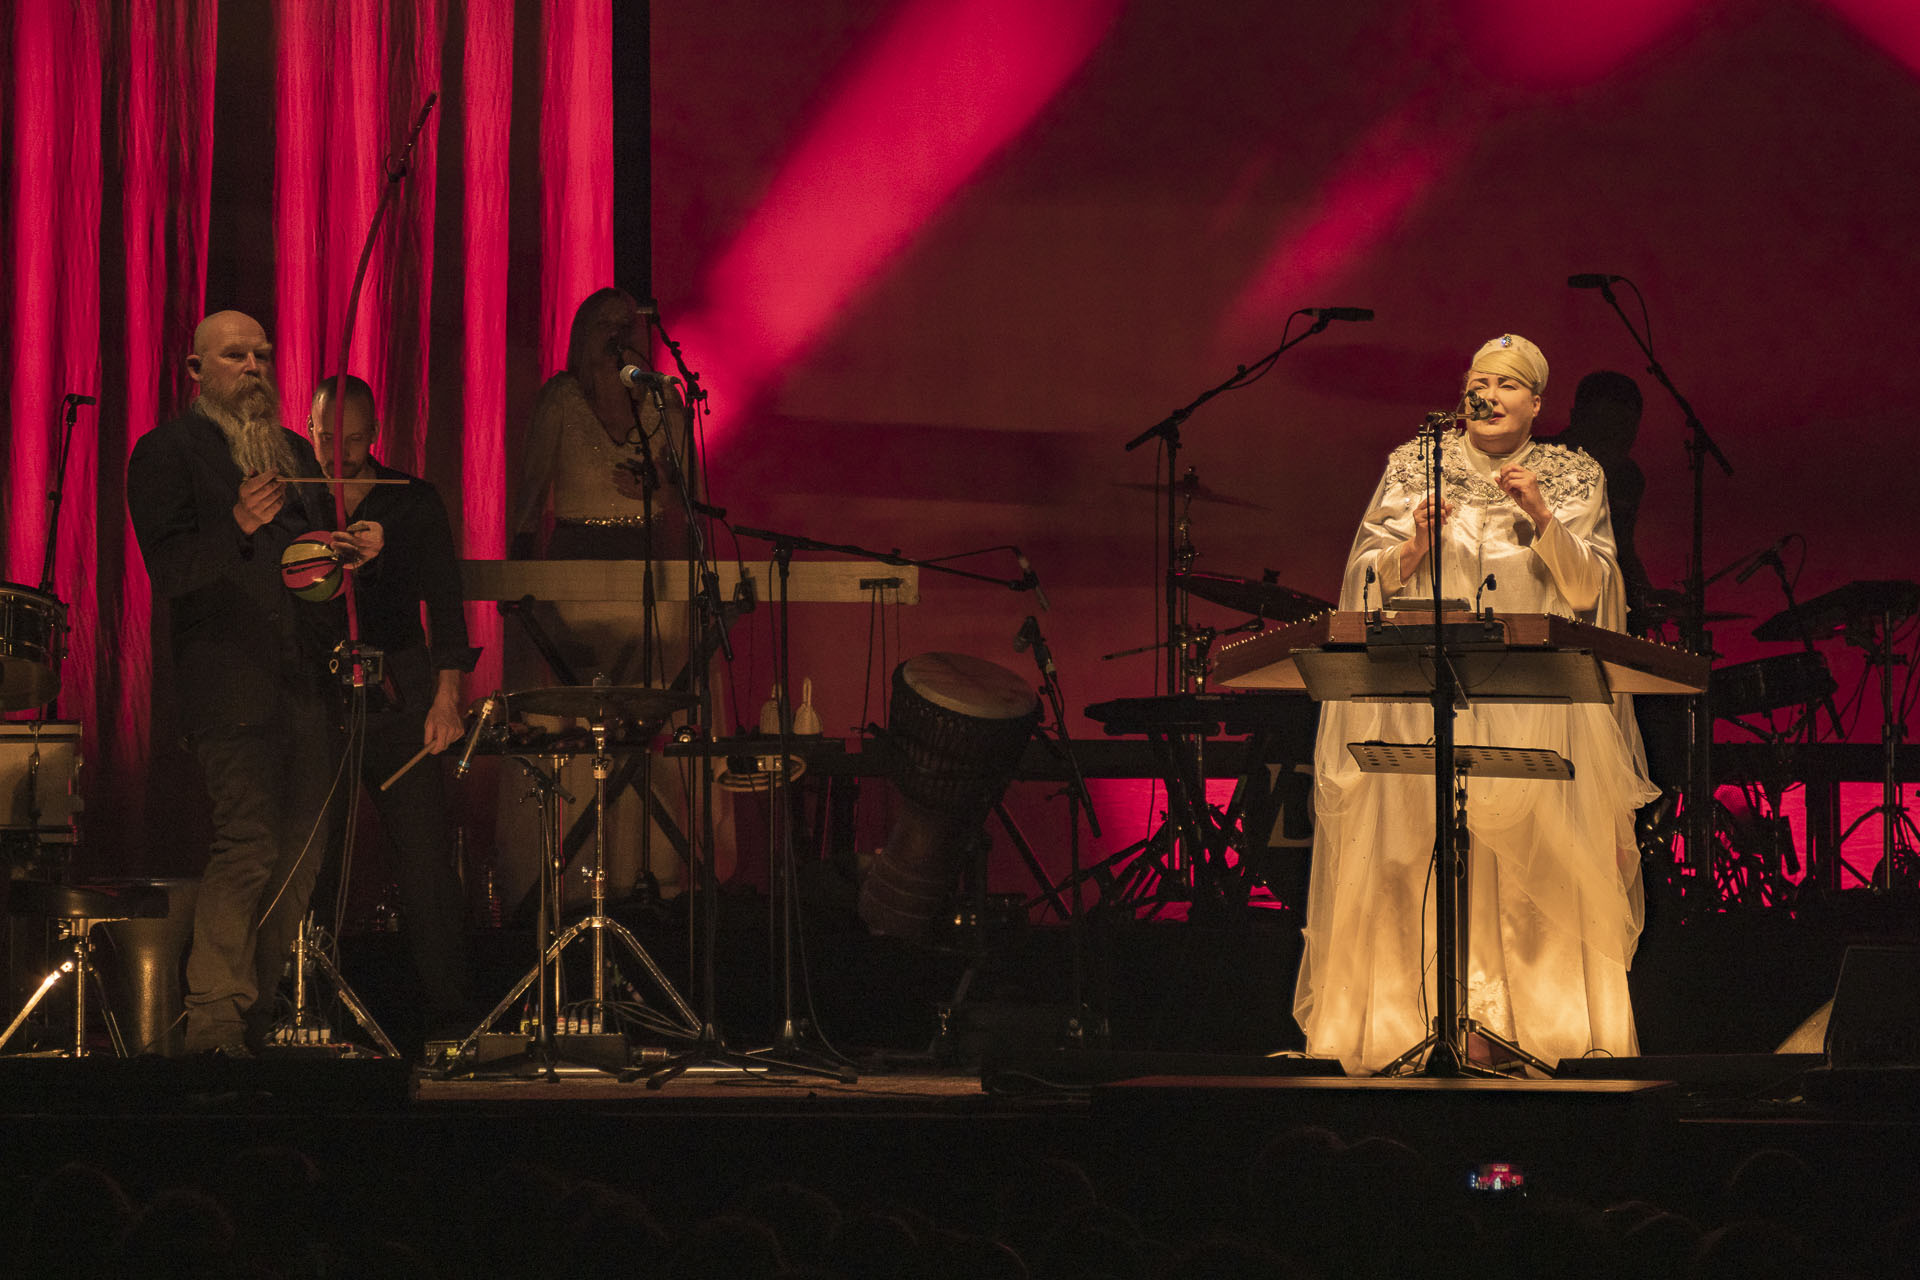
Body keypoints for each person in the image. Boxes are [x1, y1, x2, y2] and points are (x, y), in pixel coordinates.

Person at [1294, 333, 1658, 1074]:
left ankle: (1535, 1033)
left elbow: (1593, 590)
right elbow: (1362, 582)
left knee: (1529, 870)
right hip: (1428, 699)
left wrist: (1543, 520)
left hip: (1533, 705)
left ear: (1536, 403)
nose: (1485, 393)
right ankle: (1412, 1024)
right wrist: (1408, 550)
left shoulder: (1571, 474)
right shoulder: (1414, 463)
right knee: (1420, 858)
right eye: (1476, 380)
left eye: (1505, 384)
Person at [127, 310, 381, 1055]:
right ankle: (212, 1022)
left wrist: (343, 552)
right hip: (229, 686)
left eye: (263, 355)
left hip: (303, 679)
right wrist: (236, 522)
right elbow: (170, 570)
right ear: (196, 369)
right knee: (248, 846)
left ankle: (259, 1013)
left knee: (301, 856)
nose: (255, 367)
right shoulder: (168, 451)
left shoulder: (294, 450)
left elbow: (304, 570)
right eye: (236, 355)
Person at [504, 288, 733, 902]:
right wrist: (519, 578)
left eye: (625, 324)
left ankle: (651, 871)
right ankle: (571, 880)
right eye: (603, 323)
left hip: (648, 566)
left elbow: (689, 493)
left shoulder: (662, 401)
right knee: (581, 716)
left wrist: (657, 487)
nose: (617, 331)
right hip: (576, 567)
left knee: (646, 715)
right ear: (582, 333)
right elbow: (529, 494)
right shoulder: (561, 398)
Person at [307, 374, 476, 1043]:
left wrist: (447, 697)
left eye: (349, 440)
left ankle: (451, 1020)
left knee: (427, 864)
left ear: (372, 435)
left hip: (401, 692)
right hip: (321, 696)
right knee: (316, 863)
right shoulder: (297, 502)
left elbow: (447, 604)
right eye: (324, 437)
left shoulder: (412, 502)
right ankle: (309, 1009)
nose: (336, 453)